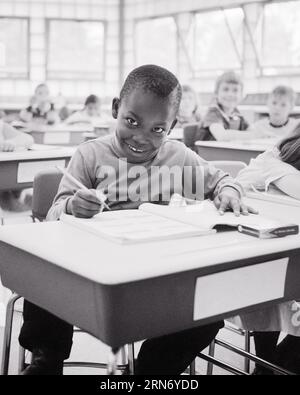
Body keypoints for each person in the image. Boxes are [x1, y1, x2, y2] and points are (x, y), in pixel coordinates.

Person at [19, 64, 254, 376]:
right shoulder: (90, 155)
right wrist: (72, 207)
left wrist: (229, 192)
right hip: (91, 272)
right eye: (132, 121)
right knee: (45, 271)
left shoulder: (180, 157)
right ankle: (47, 361)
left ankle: (152, 372)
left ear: (172, 126)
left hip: (156, 276)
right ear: (116, 108)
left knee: (207, 311)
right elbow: (54, 213)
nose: (142, 137)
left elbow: (224, 180)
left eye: (158, 129)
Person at [235, 128, 300, 375]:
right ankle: (267, 365)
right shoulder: (273, 161)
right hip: (251, 258)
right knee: (271, 284)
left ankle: (271, 366)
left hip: (280, 256)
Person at [184, 71, 250, 150]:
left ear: (242, 95)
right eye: (225, 89)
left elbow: (250, 129)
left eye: (235, 90)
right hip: (206, 157)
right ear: (216, 93)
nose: (230, 94)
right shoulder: (213, 113)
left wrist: (259, 131)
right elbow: (221, 136)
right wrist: (254, 134)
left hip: (226, 154)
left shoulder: (237, 114)